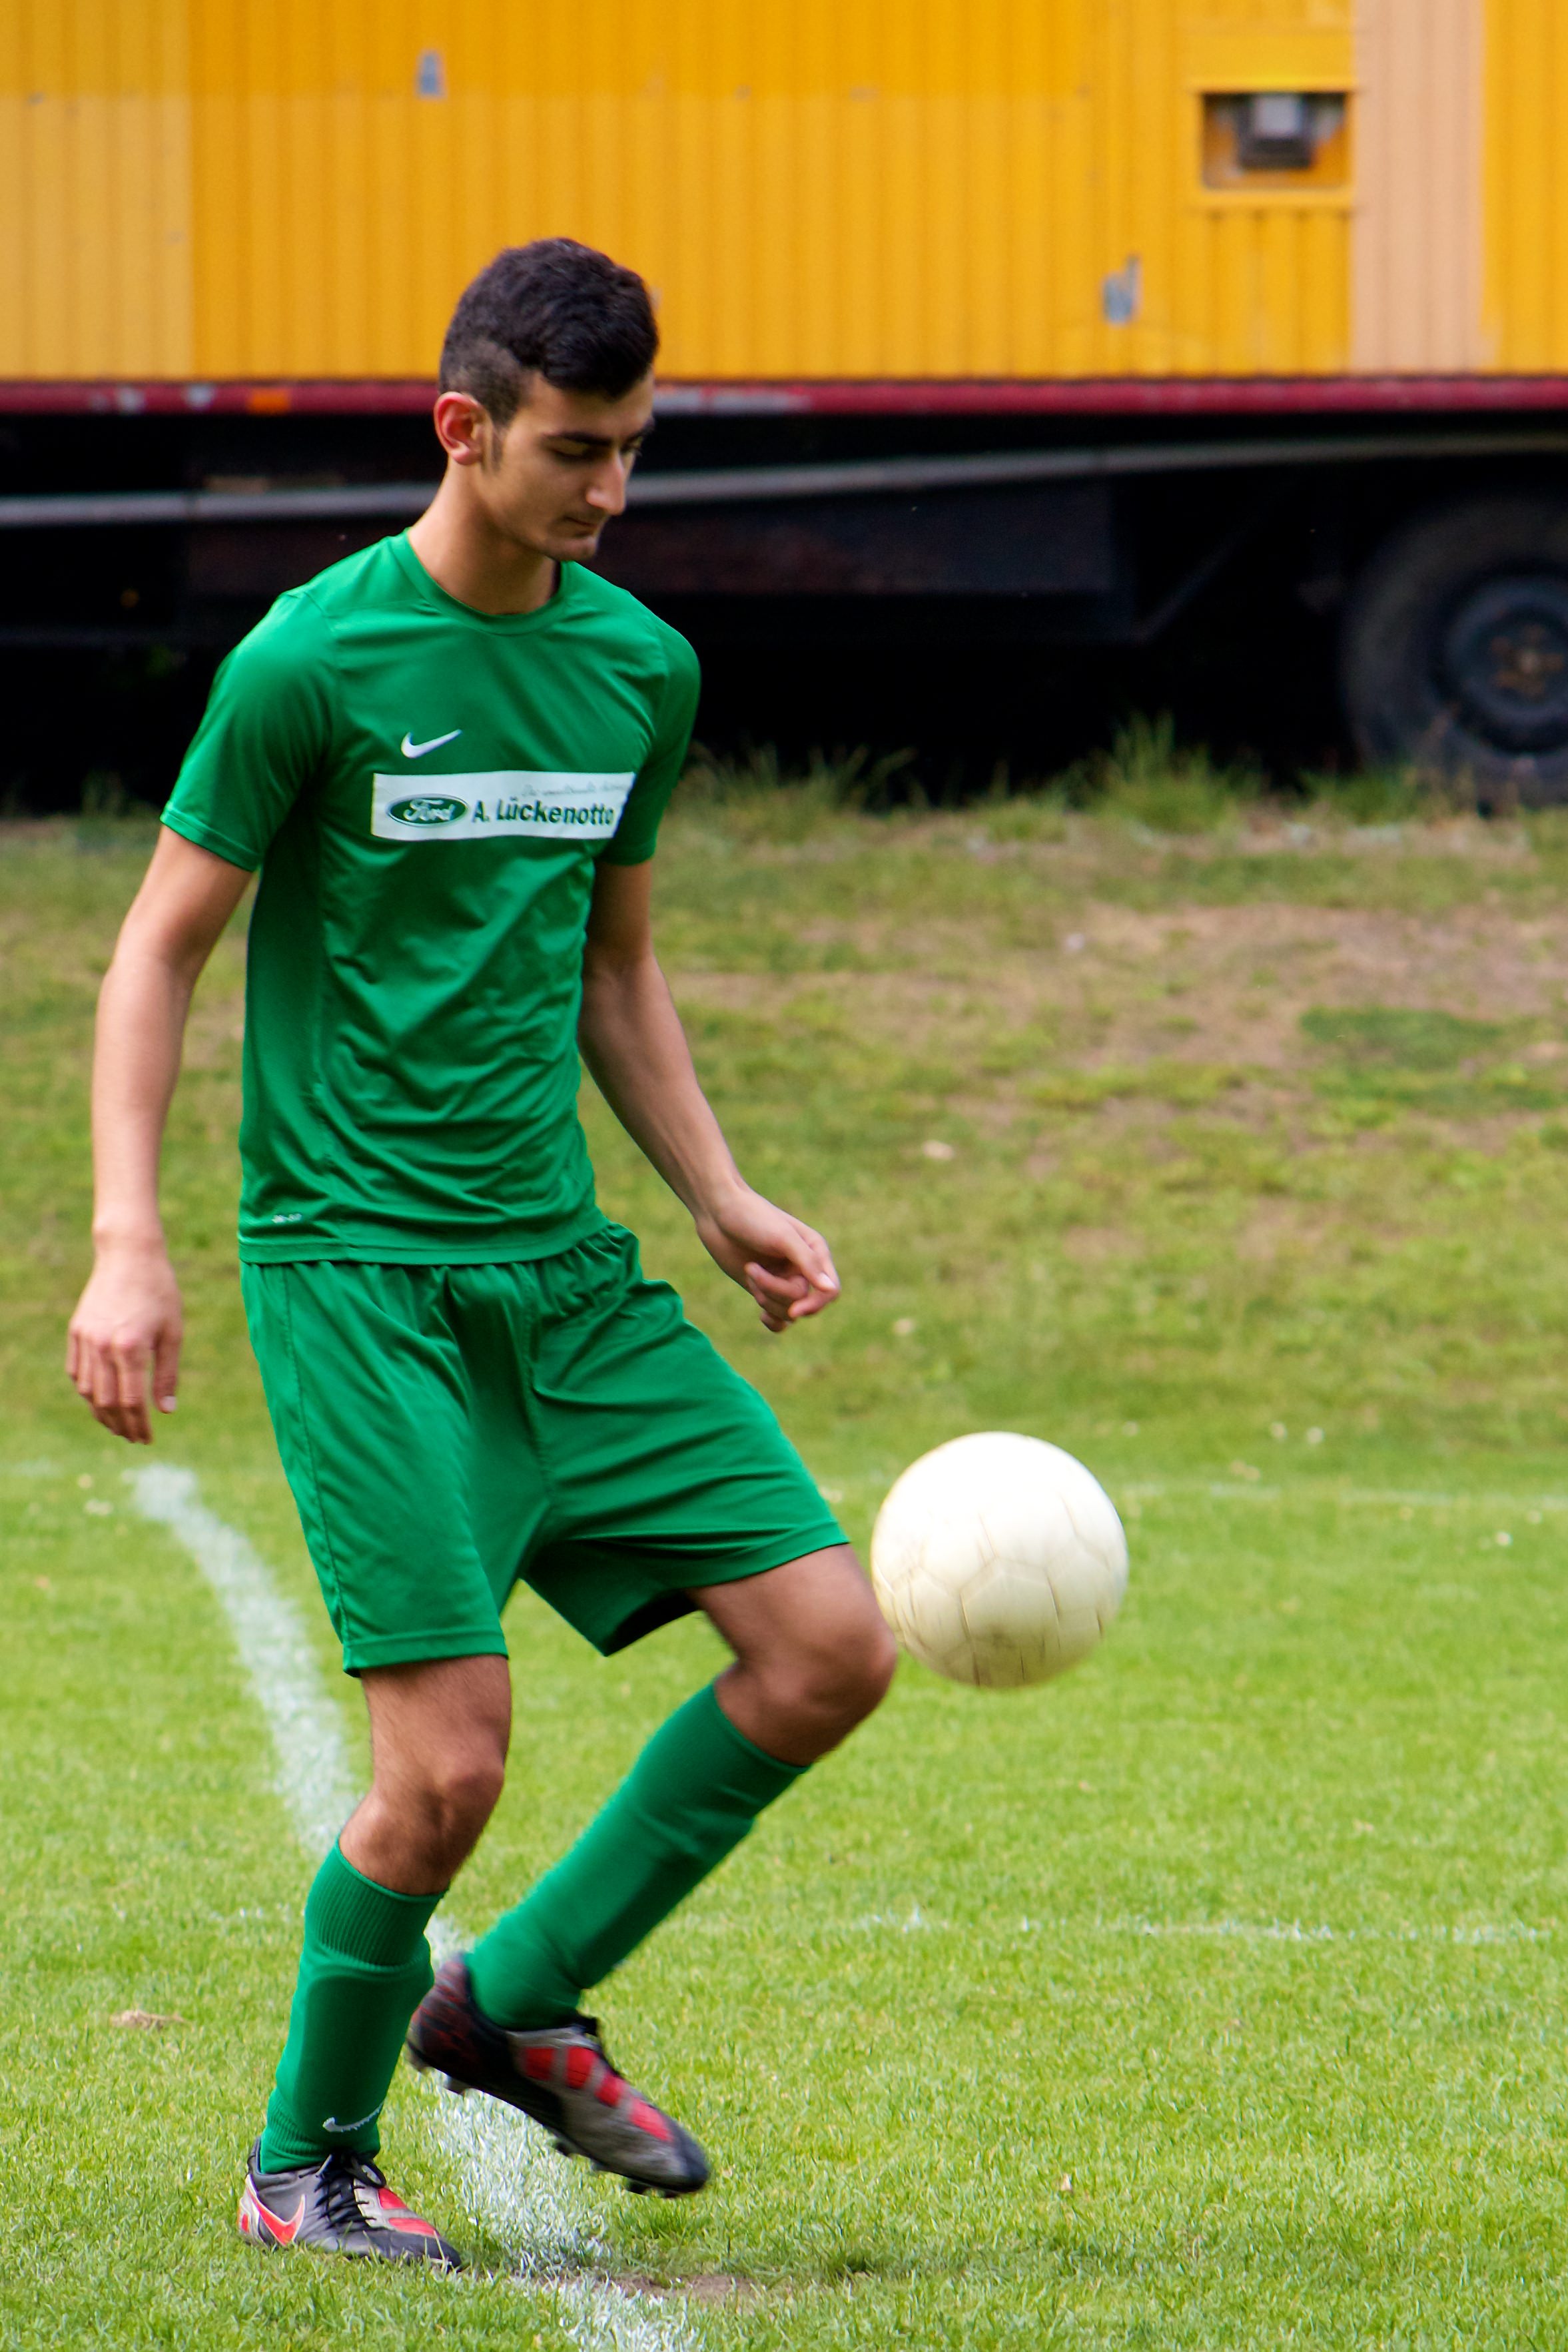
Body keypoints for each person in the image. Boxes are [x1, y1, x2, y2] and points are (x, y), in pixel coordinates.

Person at [67, 238, 897, 2270]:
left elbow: (615, 966)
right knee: (442, 1768)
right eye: (574, 450)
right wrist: (125, 1242)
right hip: (356, 1278)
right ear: (464, 428)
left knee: (828, 1644)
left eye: (630, 450)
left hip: (563, 1276)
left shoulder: (638, 668)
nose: (608, 487)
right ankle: (305, 2166)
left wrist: (716, 1191)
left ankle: (511, 1999)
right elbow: (157, 951)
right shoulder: (311, 661)